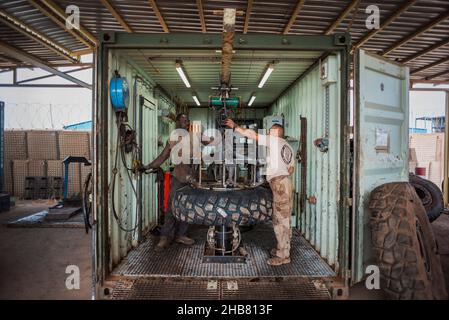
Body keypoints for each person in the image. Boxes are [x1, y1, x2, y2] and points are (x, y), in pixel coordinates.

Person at [224, 118, 295, 266]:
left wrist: (236, 126)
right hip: (286, 182)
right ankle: (282, 249)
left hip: (280, 185)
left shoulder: (274, 141)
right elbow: (291, 169)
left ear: (275, 132)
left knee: (280, 221)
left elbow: (253, 135)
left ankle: (283, 256)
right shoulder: (287, 146)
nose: (268, 132)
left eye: (270, 130)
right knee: (283, 218)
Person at [141, 113, 195, 251]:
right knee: (171, 207)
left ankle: (181, 235)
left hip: (192, 179)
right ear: (177, 123)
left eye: (187, 120)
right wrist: (148, 166)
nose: (185, 122)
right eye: (182, 120)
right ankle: (165, 237)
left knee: (188, 208)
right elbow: (163, 156)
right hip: (178, 177)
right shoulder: (173, 139)